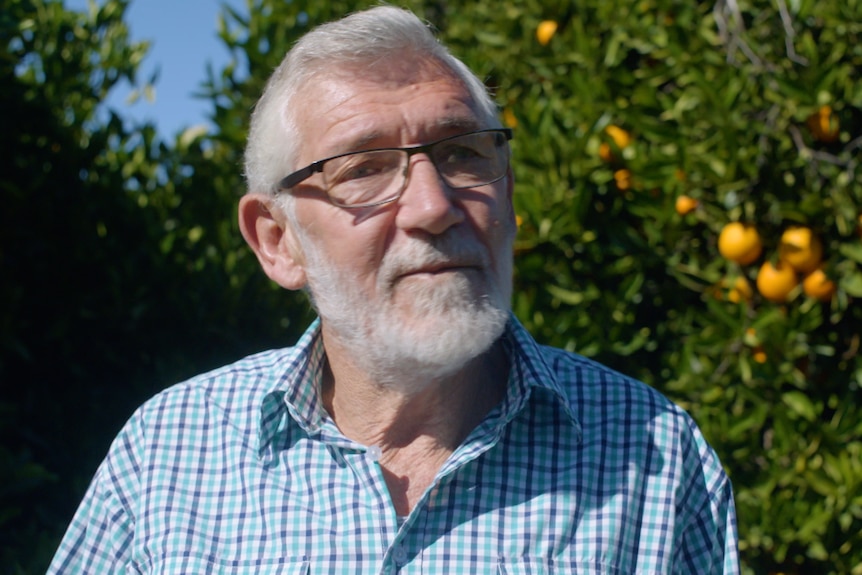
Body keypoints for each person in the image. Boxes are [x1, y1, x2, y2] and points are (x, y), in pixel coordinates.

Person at [49, 6, 739, 574]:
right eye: (365, 169)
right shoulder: (170, 451)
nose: (434, 205)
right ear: (277, 241)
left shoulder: (653, 452)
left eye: (463, 152)